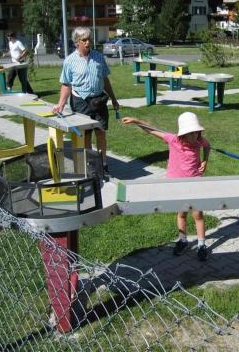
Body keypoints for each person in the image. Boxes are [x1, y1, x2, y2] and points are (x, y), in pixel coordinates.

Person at [121, 112, 211, 261]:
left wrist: (205, 161)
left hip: (194, 183)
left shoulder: (200, 141)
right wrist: (136, 120)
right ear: (183, 133)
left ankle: (201, 244)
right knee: (181, 213)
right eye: (191, 133)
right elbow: (151, 130)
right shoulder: (173, 139)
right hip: (176, 185)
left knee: (198, 214)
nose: (195, 135)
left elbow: (208, 147)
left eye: (196, 132)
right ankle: (183, 240)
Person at [52, 27, 120, 172]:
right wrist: (61, 104)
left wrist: (114, 99)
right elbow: (66, 84)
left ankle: (103, 163)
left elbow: (105, 79)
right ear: (77, 42)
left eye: (89, 39)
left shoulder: (98, 57)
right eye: (84, 40)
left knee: (101, 132)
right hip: (81, 102)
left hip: (99, 100)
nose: (88, 42)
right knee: (86, 136)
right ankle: (90, 164)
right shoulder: (70, 61)